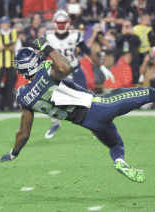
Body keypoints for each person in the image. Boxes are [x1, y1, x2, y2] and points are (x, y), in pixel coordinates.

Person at [0, 37, 155, 185]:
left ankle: (120, 161)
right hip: (99, 106)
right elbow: (65, 67)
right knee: (150, 93)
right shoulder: (46, 71)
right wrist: (46, 45)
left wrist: (13, 153)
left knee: (116, 144)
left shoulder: (24, 96)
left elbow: (23, 133)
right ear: (34, 63)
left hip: (88, 123)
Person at [43, 10, 115, 139]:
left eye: (62, 23)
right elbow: (42, 54)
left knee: (86, 101)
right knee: (47, 99)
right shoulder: (48, 36)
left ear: (68, 23)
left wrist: (102, 67)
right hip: (58, 73)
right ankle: (55, 123)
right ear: (54, 23)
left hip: (74, 70)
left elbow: (88, 51)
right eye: (58, 23)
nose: (60, 26)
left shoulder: (74, 35)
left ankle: (96, 126)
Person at [0, 16, 22, 112]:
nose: (4, 25)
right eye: (3, 23)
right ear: (0, 24)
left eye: (6, 23)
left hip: (11, 63)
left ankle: (11, 106)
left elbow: (19, 48)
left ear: (9, 24)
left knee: (11, 85)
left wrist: (13, 49)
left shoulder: (14, 33)